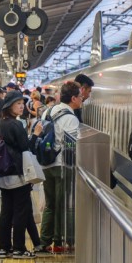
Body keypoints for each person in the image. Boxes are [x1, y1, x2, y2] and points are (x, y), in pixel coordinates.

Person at [37, 81, 81, 253]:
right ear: (73, 98)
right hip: (62, 166)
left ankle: (45, 241)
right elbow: (71, 146)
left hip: (47, 164)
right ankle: (62, 242)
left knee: (50, 204)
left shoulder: (48, 111)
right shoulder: (70, 118)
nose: (82, 99)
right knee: (63, 204)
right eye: (80, 96)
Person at [0, 90, 39, 259]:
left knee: (6, 211)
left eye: (22, 103)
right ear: (9, 106)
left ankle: (4, 248)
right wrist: (35, 135)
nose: (22, 106)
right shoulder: (16, 124)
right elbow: (26, 147)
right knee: (20, 212)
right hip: (17, 173)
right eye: (18, 104)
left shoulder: (1, 123)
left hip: (4, 173)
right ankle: (19, 248)